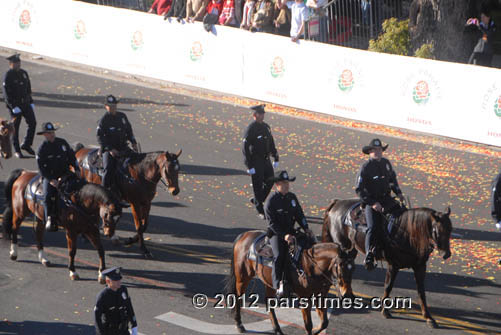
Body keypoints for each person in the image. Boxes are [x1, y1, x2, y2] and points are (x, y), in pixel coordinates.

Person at [355, 138, 404, 271]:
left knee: (402, 215)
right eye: (374, 150)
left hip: (386, 199)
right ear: (370, 152)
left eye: (379, 150)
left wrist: (398, 193)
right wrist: (372, 203)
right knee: (373, 227)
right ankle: (369, 254)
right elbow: (359, 189)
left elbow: (392, 180)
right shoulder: (365, 168)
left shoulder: (386, 164)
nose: (377, 152)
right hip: (372, 202)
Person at [264, 170, 314, 298]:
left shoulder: (292, 198)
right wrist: (284, 236)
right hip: (277, 234)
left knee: (308, 246)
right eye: (284, 183)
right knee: (279, 255)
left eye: (287, 183)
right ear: (277, 185)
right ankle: (277, 286)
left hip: (291, 231)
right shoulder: (271, 201)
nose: (287, 185)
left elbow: (299, 214)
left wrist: (306, 228)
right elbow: (272, 223)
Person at [36, 122, 81, 232]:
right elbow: (41, 168)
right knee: (47, 197)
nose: (52, 135)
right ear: (44, 135)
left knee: (80, 188)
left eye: (52, 132)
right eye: (49, 133)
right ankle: (49, 219)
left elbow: (71, 157)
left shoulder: (62, 143)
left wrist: (77, 168)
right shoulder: (42, 149)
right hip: (51, 177)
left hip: (65, 174)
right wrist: (51, 180)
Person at [97, 95, 138, 197]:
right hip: (110, 150)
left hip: (123, 147)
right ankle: (104, 193)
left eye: (114, 105)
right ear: (106, 106)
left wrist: (133, 142)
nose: (113, 107)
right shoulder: (104, 120)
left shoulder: (122, 116)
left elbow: (129, 130)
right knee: (108, 169)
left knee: (136, 162)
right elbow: (100, 137)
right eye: (110, 106)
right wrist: (110, 149)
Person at [242, 104, 279, 219]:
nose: (262, 116)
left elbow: (271, 142)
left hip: (266, 159)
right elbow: (245, 147)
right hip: (256, 160)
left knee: (271, 180)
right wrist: (249, 165)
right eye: (260, 114)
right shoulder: (251, 128)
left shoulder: (266, 127)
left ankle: (258, 199)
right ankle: (260, 210)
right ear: (254, 115)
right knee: (257, 185)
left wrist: (275, 156)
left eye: (263, 114)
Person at [2, 53, 37, 158]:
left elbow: (28, 89)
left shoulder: (24, 73)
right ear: (11, 64)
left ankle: (26, 144)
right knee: (15, 128)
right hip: (15, 106)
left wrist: (31, 101)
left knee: (33, 123)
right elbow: (6, 94)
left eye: (19, 63)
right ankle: (17, 150)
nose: (18, 65)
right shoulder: (8, 75)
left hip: (25, 103)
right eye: (15, 63)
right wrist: (13, 106)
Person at [94, 267, 138, 335]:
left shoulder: (123, 290)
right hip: (110, 331)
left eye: (119, 279)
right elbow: (97, 318)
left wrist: (134, 324)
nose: (119, 282)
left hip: (123, 330)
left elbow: (129, 307)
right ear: (108, 281)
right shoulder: (103, 296)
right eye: (116, 280)